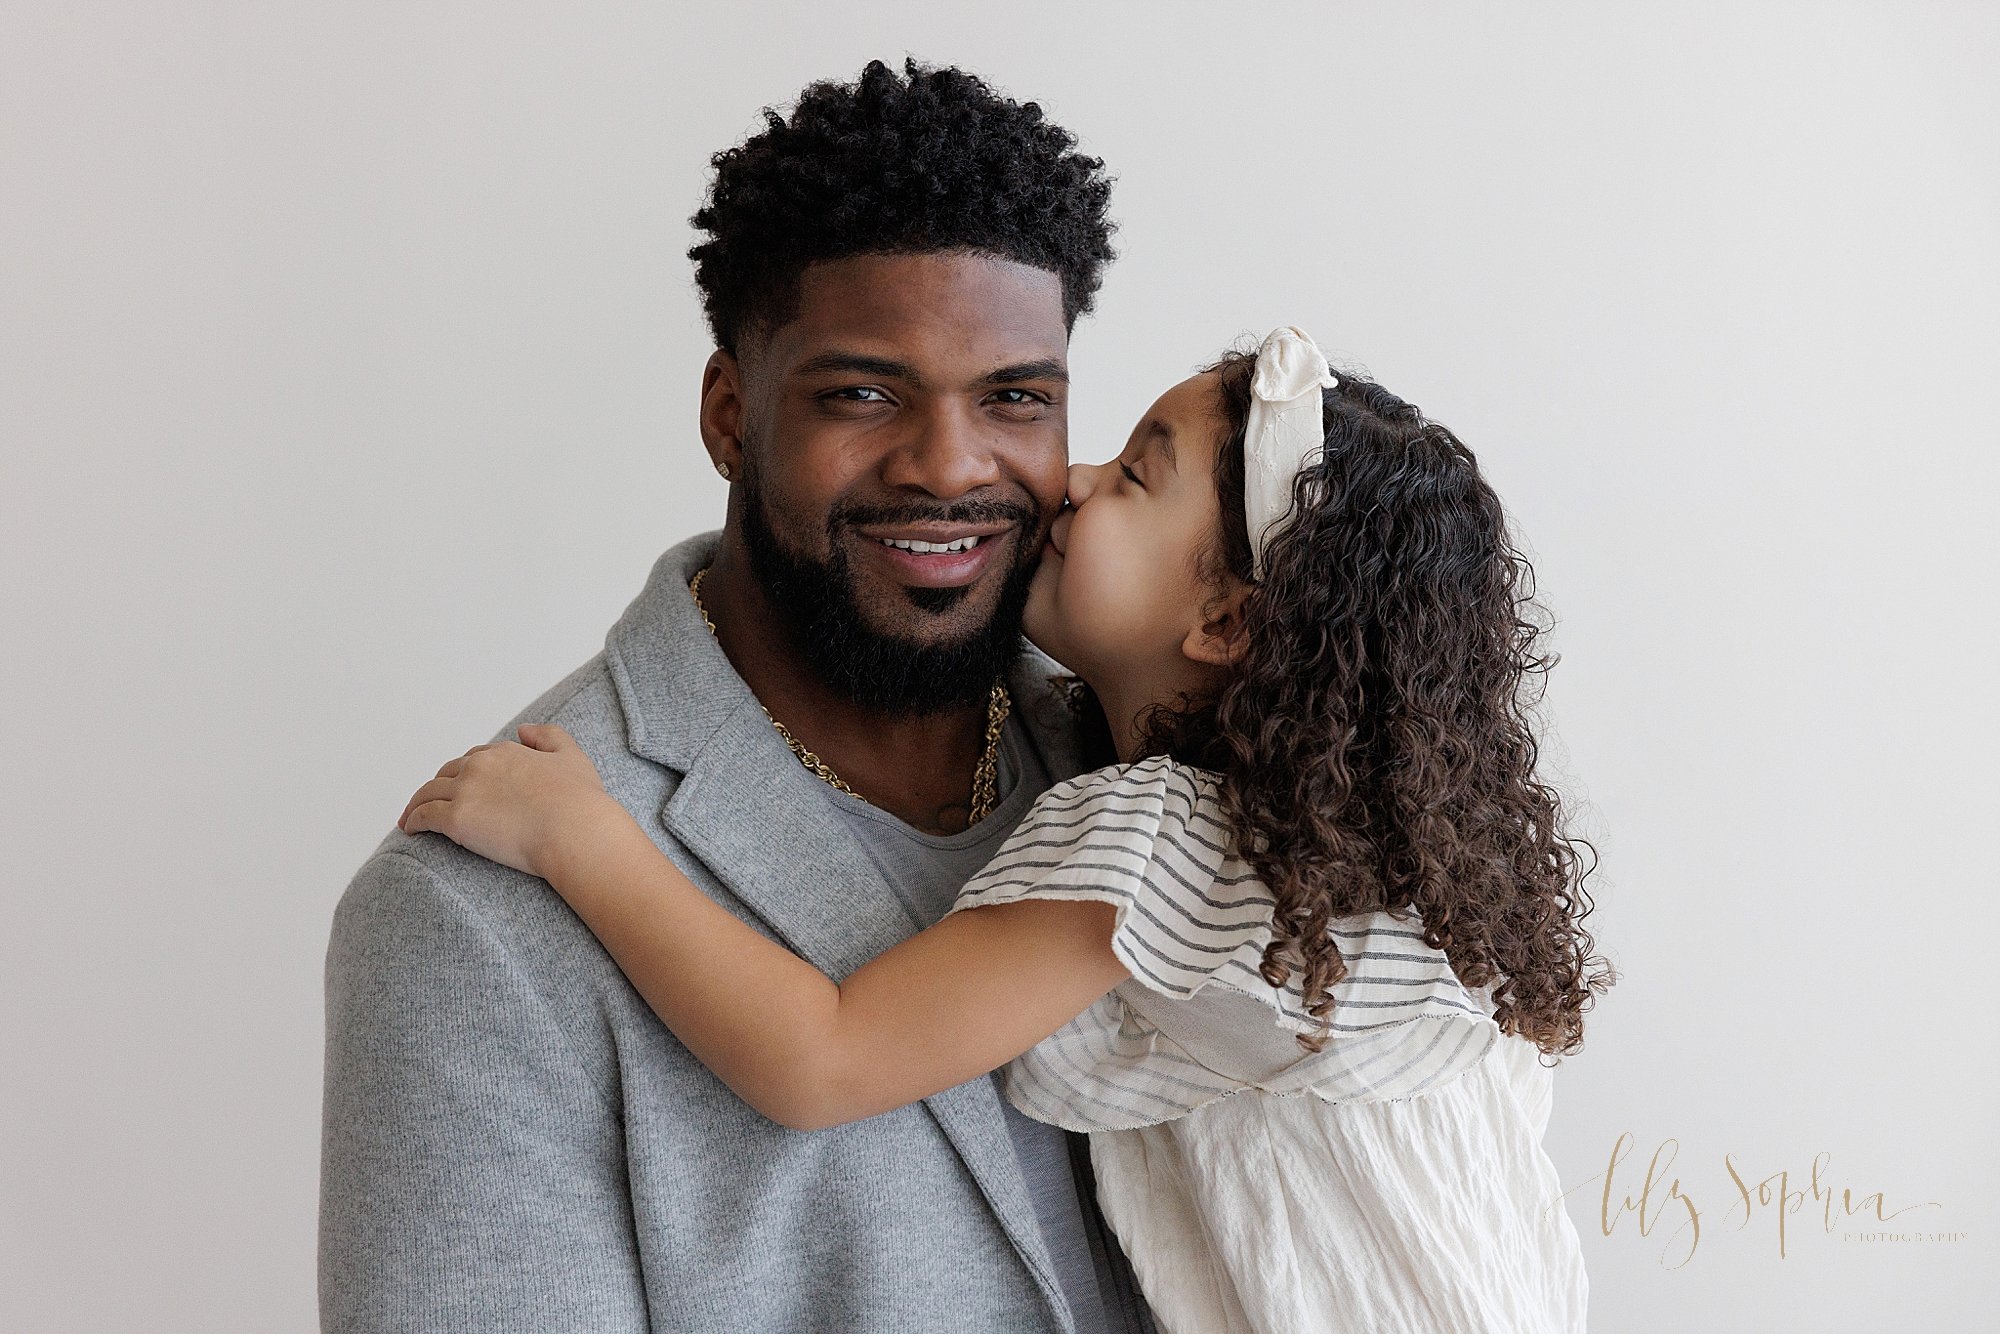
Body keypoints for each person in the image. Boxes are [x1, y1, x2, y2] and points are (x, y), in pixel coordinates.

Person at [400, 326, 1622, 1334]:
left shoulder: (1150, 840)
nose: (1074, 480)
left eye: (1135, 476)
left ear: (1224, 620)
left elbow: (825, 1058)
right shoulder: (1330, 842)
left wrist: (584, 838)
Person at [321, 58, 1157, 1333]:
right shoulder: (476, 917)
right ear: (729, 413)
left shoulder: (1147, 770)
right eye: (863, 393)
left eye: (1014, 399)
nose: (949, 464)